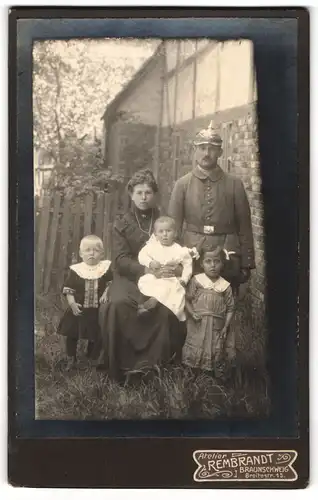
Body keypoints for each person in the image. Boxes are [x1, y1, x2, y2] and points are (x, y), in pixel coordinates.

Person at [99, 169, 186, 382]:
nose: (144, 197)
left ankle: (152, 367)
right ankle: (122, 367)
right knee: (118, 305)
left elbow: (178, 251)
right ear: (131, 194)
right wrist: (146, 269)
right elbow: (120, 259)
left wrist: (175, 269)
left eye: (148, 192)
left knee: (164, 309)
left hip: (161, 280)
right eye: (139, 192)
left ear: (154, 194)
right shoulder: (122, 222)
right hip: (129, 277)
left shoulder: (164, 222)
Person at [168, 121, 255, 295]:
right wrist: (174, 259)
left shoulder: (234, 184)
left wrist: (247, 262)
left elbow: (244, 226)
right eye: (202, 148)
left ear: (220, 152)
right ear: (195, 151)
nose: (207, 153)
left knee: (225, 302)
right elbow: (173, 227)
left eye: (212, 148)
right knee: (194, 300)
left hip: (227, 252)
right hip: (193, 251)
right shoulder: (182, 185)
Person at [57, 235, 112, 371]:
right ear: (81, 254)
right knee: (72, 334)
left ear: (102, 254)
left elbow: (110, 284)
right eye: (87, 250)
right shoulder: (76, 270)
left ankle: (92, 358)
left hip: (96, 310)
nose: (92, 254)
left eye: (96, 250)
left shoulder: (104, 268)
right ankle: (71, 358)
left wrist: (106, 293)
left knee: (95, 334)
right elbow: (69, 290)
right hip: (78, 310)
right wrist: (72, 304)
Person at [182, 246, 235, 375]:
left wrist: (225, 326)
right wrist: (192, 312)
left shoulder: (225, 286)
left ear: (222, 264)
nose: (213, 265)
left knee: (214, 346)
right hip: (197, 322)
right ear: (202, 263)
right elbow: (187, 299)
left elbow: (230, 308)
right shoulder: (197, 281)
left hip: (216, 325)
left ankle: (210, 374)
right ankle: (191, 372)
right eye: (208, 261)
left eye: (217, 262)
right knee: (196, 343)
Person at [137, 215, 194, 320]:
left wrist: (184, 280)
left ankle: (154, 302)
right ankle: (146, 304)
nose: (165, 234)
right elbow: (142, 256)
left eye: (168, 231)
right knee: (147, 280)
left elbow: (187, 264)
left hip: (170, 278)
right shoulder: (152, 247)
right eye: (161, 231)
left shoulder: (179, 250)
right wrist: (150, 263)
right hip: (156, 277)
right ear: (155, 234)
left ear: (175, 233)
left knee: (172, 289)